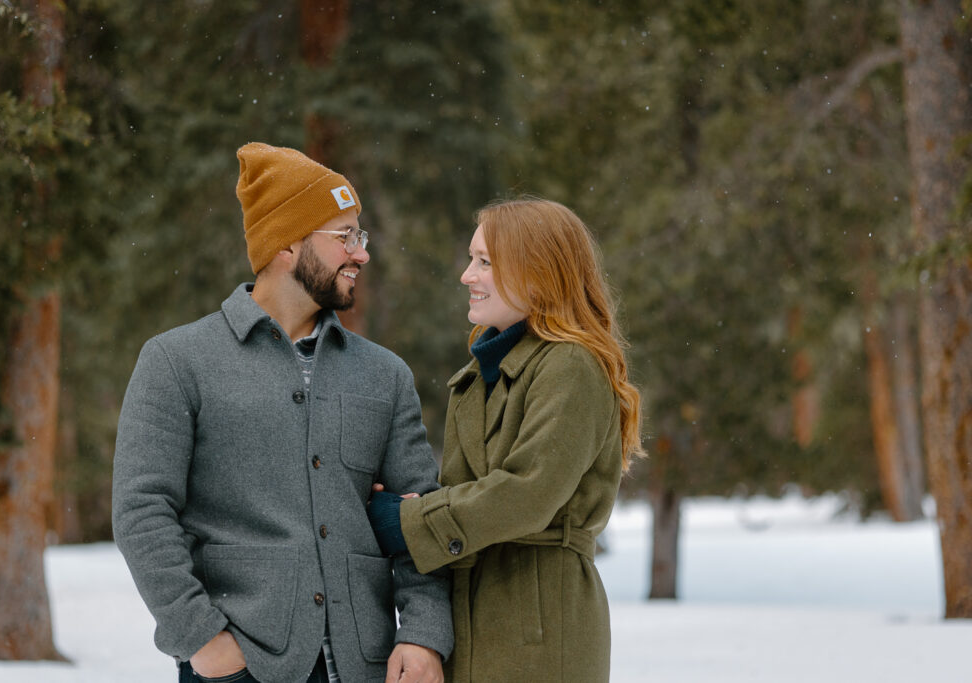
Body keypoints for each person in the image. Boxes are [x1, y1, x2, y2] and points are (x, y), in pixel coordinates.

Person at [112, 142, 452, 683]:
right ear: (288, 245)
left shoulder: (385, 375)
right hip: (239, 667)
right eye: (345, 237)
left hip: (367, 668)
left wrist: (424, 634)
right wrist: (200, 638)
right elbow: (142, 511)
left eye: (359, 236)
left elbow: (423, 519)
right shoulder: (176, 361)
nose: (361, 253)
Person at [367, 197, 645, 682]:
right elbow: (465, 497)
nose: (467, 276)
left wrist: (408, 521)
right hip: (473, 619)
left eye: (485, 262)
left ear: (538, 271)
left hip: (541, 623)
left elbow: (528, 493)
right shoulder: (476, 378)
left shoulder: (571, 366)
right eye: (472, 259)